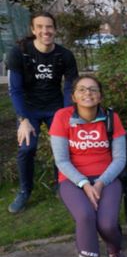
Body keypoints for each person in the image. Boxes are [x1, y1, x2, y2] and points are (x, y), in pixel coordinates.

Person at [49, 76, 127, 257]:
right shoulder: (62, 117)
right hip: (73, 180)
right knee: (85, 217)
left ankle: (115, 249)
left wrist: (101, 183)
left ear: (100, 96)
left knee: (106, 224)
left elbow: (120, 159)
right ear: (73, 96)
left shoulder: (111, 118)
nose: (87, 94)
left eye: (93, 90)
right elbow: (61, 160)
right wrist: (84, 184)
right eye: (81, 90)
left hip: (107, 177)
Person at [6, 12, 78, 213]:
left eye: (49, 27)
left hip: (55, 107)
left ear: (55, 30)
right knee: (27, 148)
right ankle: (24, 191)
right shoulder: (19, 53)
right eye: (40, 27)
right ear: (33, 30)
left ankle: (62, 185)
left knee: (62, 146)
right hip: (29, 109)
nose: (45, 31)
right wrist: (23, 119)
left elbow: (70, 87)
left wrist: (66, 113)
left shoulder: (64, 55)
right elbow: (15, 90)